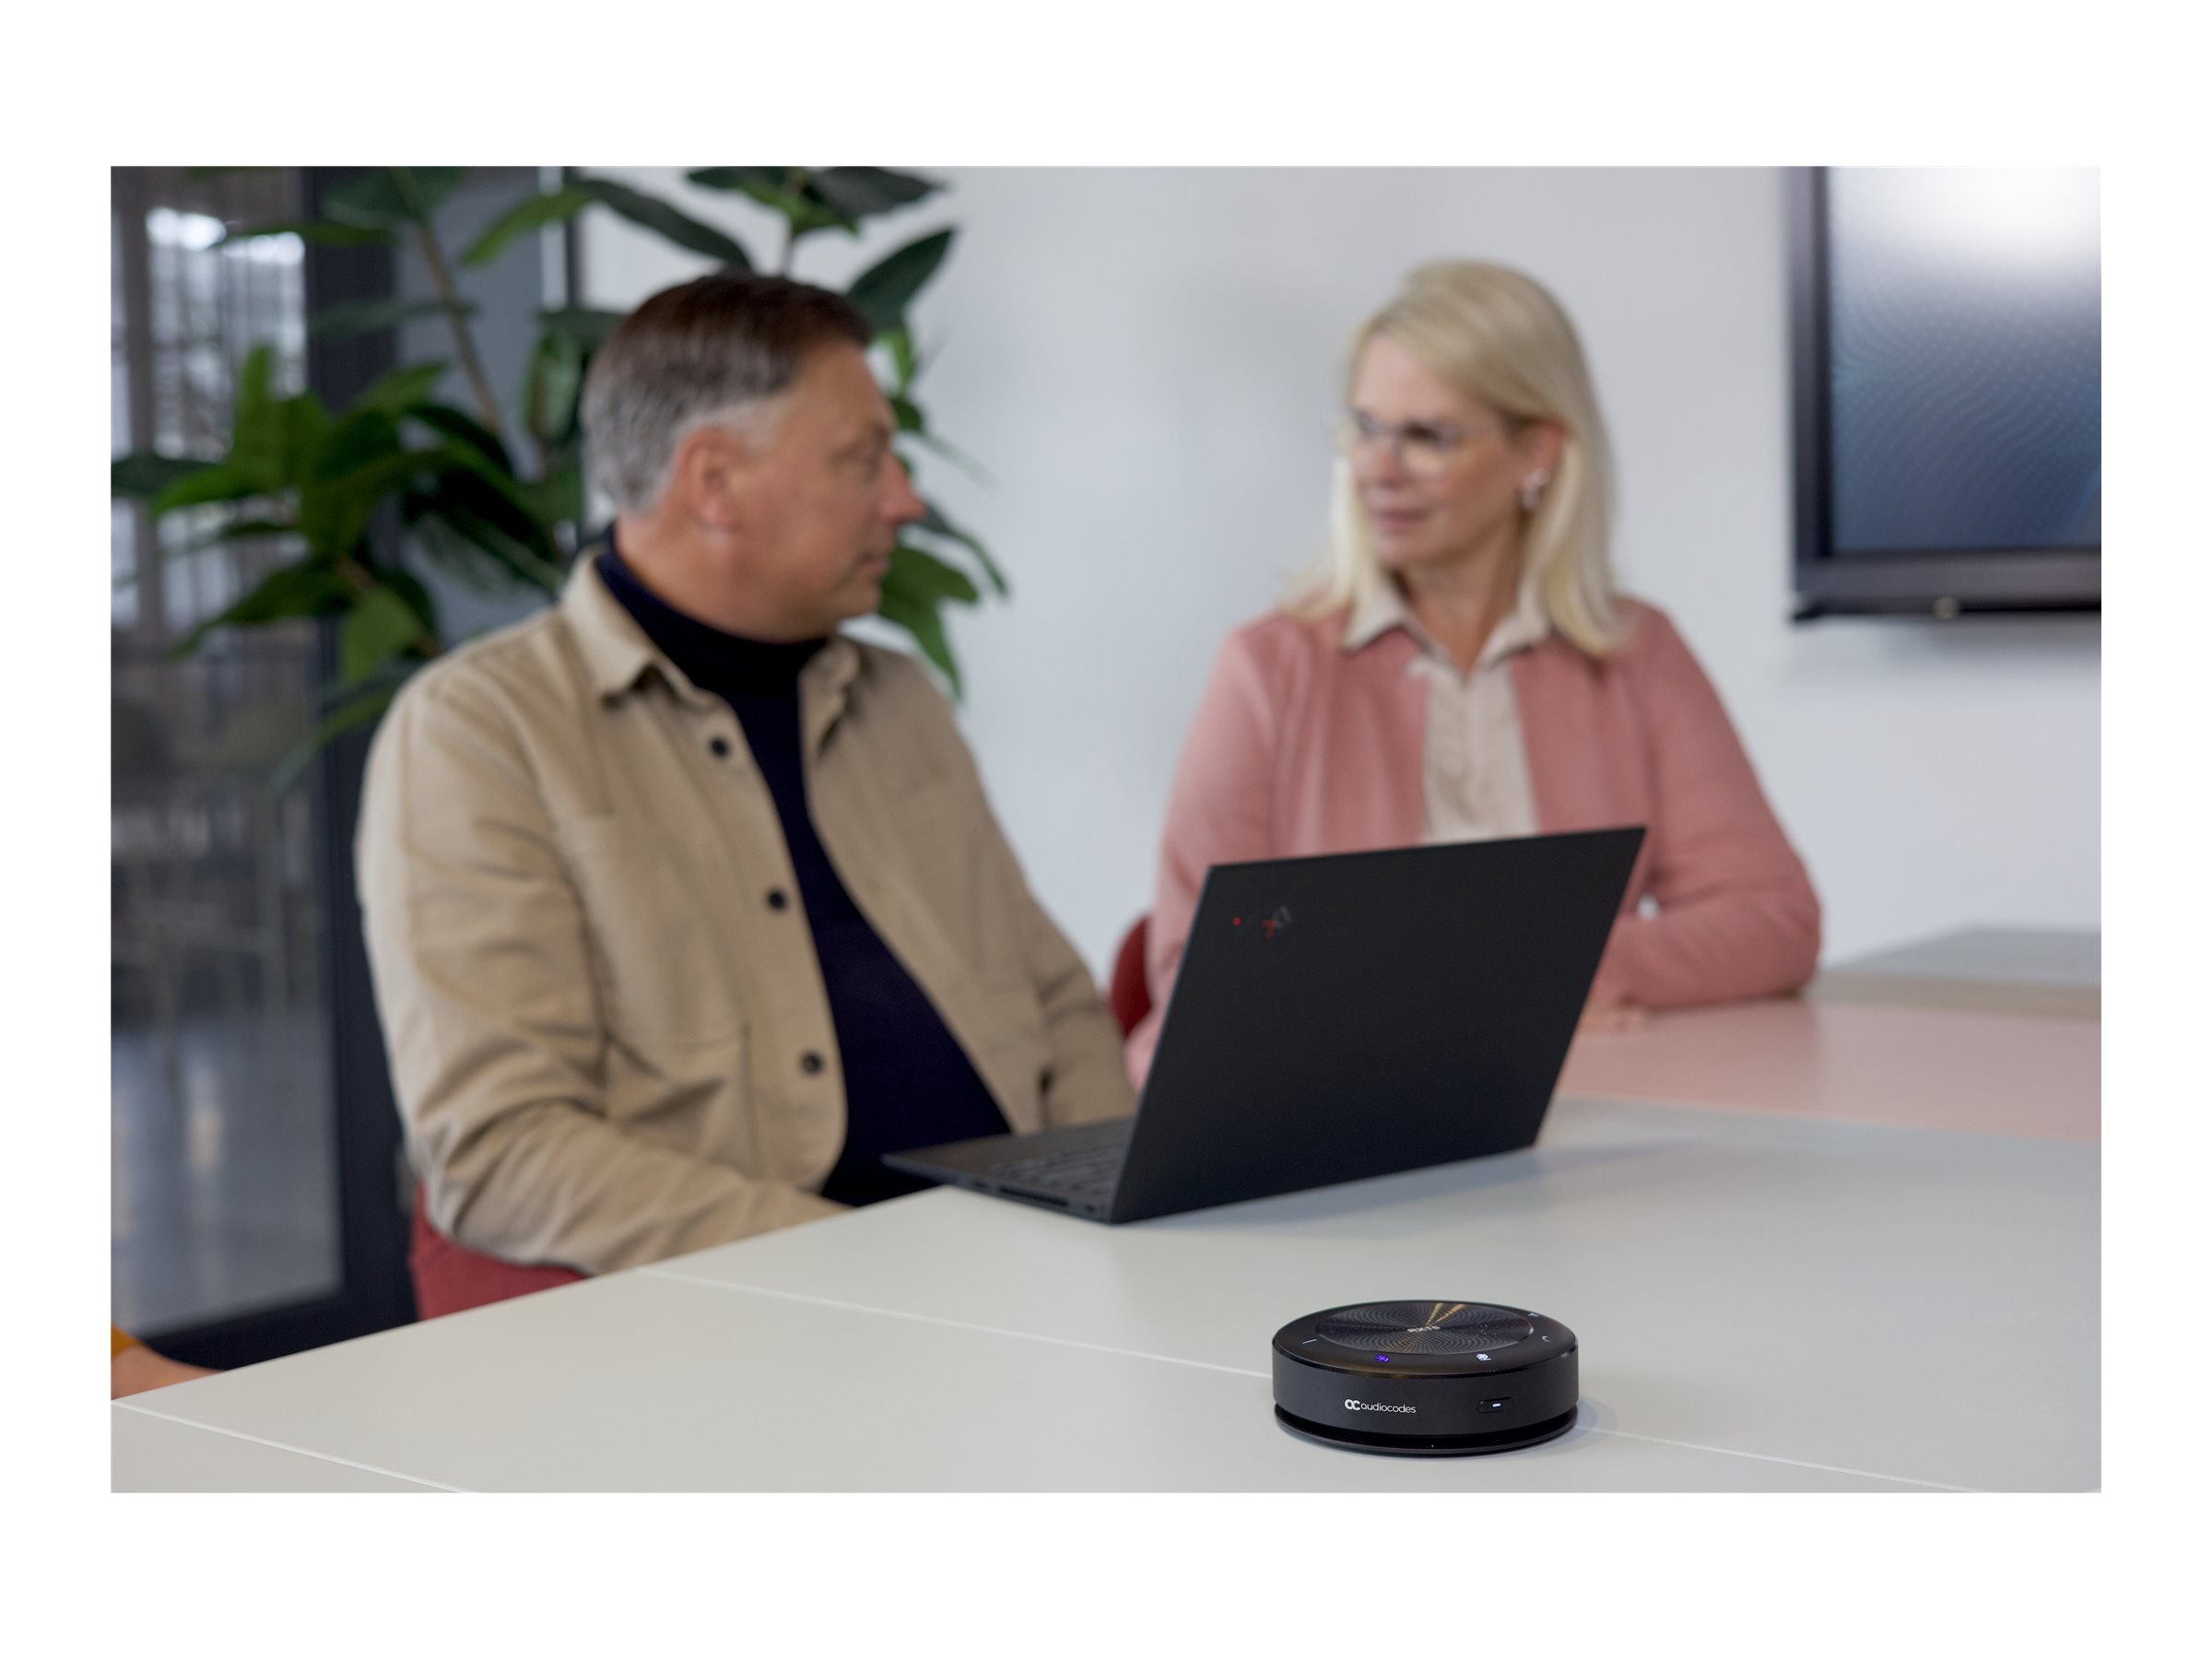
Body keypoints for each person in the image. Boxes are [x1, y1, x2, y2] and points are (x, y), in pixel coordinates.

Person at [359, 273, 1133, 1277]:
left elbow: (1057, 1005)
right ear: (714, 482)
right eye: (863, 460)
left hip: (1027, 1276)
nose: (905, 499)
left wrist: (1112, 1218)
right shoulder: (481, 732)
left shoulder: (899, 699)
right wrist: (867, 1271)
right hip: (767, 1319)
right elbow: (499, 1150)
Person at [1129, 260, 1820, 1086]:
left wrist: (1574, 968)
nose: (1377, 468)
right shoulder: (1268, 670)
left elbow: (1775, 920)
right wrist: (1481, 984)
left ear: (1537, 451)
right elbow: (1203, 966)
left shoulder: (1636, 654)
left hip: (1585, 1107)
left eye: (1427, 437)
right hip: (1330, 1109)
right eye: (1364, 428)